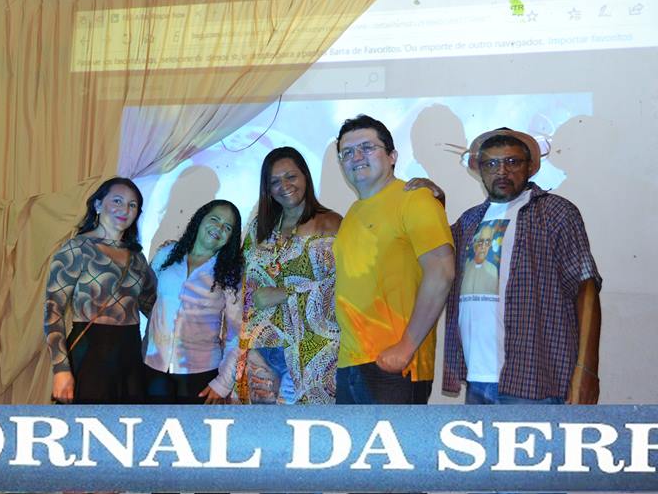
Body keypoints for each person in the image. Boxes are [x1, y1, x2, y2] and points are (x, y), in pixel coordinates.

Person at [442, 127, 602, 405]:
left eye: (512, 162)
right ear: (480, 170)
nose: (502, 171)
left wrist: (587, 370)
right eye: (491, 163)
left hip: (535, 378)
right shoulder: (469, 221)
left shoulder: (555, 212)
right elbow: (436, 256)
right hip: (477, 377)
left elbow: (585, 288)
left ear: (530, 167)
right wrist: (433, 200)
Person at [332, 115, 455, 404]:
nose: (356, 157)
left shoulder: (416, 199)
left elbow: (442, 272)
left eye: (367, 147)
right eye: (347, 152)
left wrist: (405, 348)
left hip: (396, 366)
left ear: (392, 157)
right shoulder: (353, 213)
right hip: (352, 364)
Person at [235, 146, 342, 404]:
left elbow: (343, 281)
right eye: (274, 181)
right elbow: (242, 279)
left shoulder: (331, 223)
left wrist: (286, 293)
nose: (284, 186)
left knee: (307, 424)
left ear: (305, 176)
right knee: (260, 425)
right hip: (261, 346)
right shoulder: (259, 227)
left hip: (312, 349)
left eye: (291, 176)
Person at [44, 177, 157, 404]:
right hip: (89, 353)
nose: (125, 209)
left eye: (132, 205)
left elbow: (152, 307)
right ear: (98, 204)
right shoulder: (76, 248)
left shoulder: (137, 257)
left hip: (130, 356)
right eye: (117, 201)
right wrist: (61, 369)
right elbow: (52, 311)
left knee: (127, 423)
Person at [142, 199, 244, 404]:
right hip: (152, 369)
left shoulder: (231, 272)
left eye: (227, 227)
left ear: (231, 238)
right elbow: (147, 300)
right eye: (214, 219)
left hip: (200, 375)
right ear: (200, 219)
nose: (219, 228)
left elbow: (238, 332)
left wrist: (223, 383)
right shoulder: (166, 255)